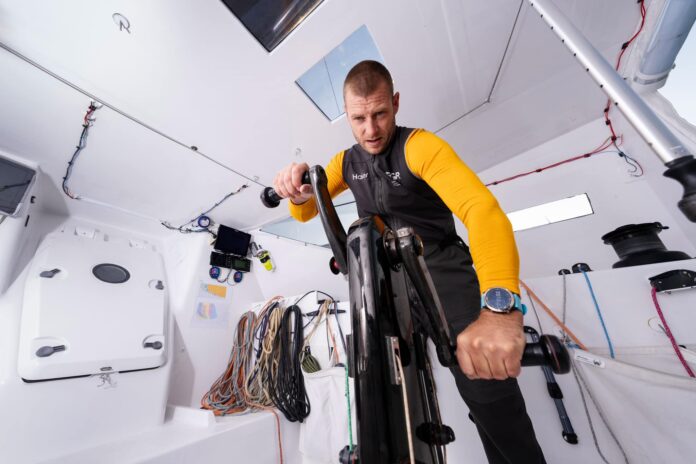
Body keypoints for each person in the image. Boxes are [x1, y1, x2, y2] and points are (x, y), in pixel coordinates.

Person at [273, 60, 545, 463]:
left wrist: (500, 310)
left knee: (488, 393)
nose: (371, 129)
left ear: (396, 103)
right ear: (347, 116)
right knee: (389, 393)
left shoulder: (419, 146)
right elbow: (306, 211)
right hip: (390, 284)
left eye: (380, 114)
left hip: (442, 273)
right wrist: (298, 189)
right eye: (359, 118)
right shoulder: (345, 163)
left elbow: (482, 212)